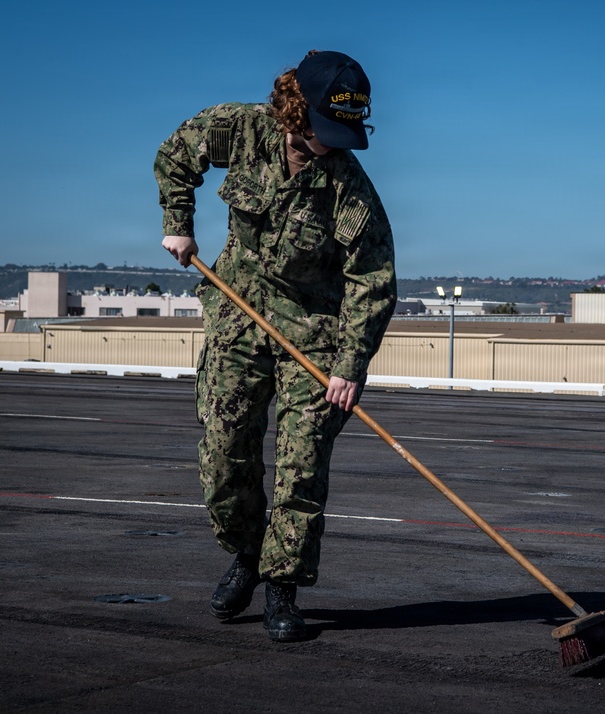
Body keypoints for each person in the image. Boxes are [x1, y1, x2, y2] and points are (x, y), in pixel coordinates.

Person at [154, 50, 397, 642]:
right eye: (325, 128)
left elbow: (374, 281)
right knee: (223, 452)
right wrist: (179, 221)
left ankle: (282, 587)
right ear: (295, 110)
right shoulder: (241, 129)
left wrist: (349, 366)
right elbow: (175, 154)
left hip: (313, 339)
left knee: (300, 465)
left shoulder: (349, 188)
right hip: (237, 320)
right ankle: (246, 552)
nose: (333, 143)